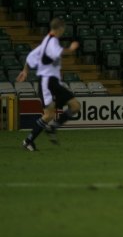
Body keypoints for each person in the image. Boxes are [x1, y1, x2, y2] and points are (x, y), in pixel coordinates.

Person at [16, 18, 81, 151]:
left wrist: (25, 71)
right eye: (63, 29)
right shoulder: (52, 41)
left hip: (54, 82)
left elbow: (31, 56)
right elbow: (59, 52)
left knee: (75, 106)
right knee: (48, 115)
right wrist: (71, 49)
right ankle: (28, 141)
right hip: (46, 82)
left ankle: (52, 127)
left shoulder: (46, 41)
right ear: (60, 28)